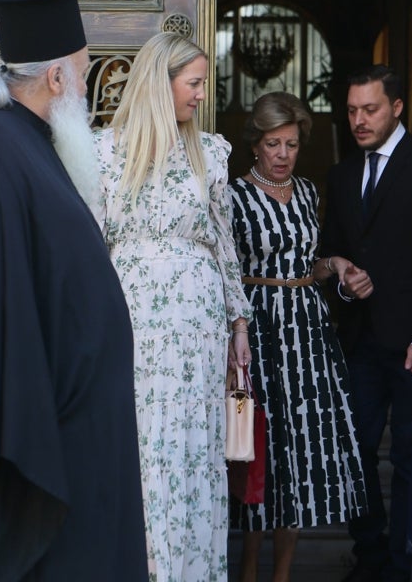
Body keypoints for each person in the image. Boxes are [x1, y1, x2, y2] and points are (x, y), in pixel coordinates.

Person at [0, 0, 148, 581]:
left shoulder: (26, 144)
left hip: (75, 439)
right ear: (56, 78)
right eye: (83, 74)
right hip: (38, 455)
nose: (86, 89)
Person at [88, 31, 252, 581]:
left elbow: (223, 242)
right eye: (195, 82)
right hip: (132, 319)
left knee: (191, 450)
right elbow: (92, 242)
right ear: (162, 83)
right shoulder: (105, 151)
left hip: (197, 327)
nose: (202, 94)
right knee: (138, 444)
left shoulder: (209, 151)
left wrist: (239, 323)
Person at [315, 65, 412, 582]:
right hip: (359, 342)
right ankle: (369, 556)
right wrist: (341, 277)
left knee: (409, 457)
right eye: (352, 110)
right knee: (354, 453)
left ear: (396, 107)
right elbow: (329, 252)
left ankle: (404, 564)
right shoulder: (340, 173)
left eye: (370, 109)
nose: (358, 120)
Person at [228, 91, 367, 582]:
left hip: (307, 330)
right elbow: (227, 272)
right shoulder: (234, 197)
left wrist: (333, 265)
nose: (283, 154)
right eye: (273, 144)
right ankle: (247, 570)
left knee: (299, 454)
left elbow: (310, 263)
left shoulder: (308, 191)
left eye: (290, 143)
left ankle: (282, 574)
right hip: (259, 329)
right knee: (260, 451)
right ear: (256, 145)